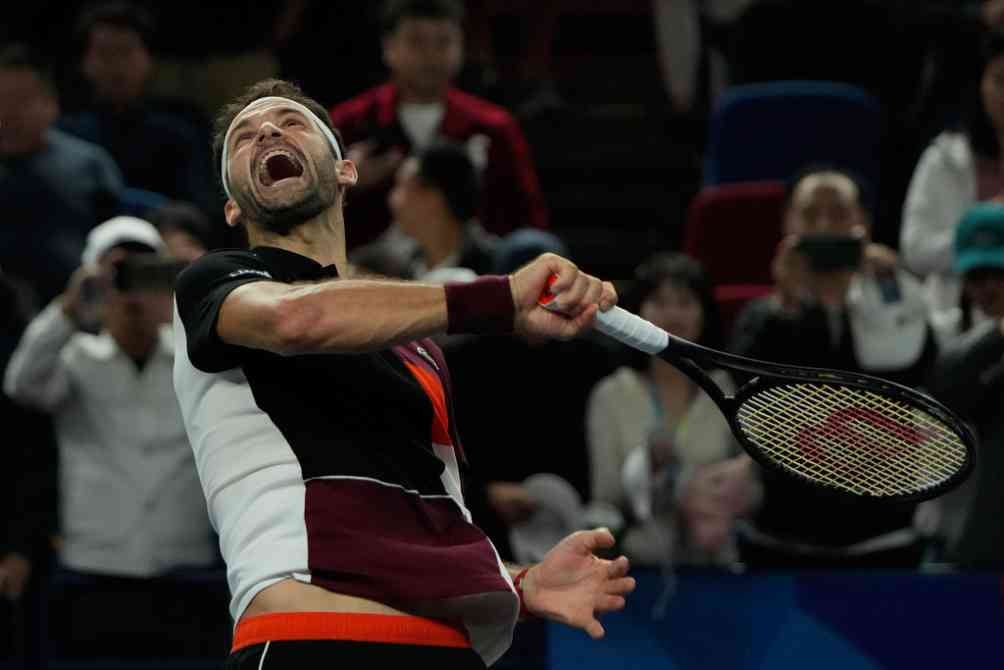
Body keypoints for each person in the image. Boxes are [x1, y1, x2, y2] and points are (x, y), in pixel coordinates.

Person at [173, 78, 633, 669]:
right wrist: (498, 302)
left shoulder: (418, 348)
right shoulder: (213, 285)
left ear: (345, 171)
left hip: (445, 651)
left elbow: (436, 510)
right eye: (243, 137)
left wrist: (522, 584)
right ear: (233, 204)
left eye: (291, 122)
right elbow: (299, 319)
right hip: (311, 639)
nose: (266, 131)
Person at [730, 165, 937, 568]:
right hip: (780, 538)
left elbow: (919, 379)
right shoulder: (763, 316)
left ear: (864, 224)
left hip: (884, 537)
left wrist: (892, 298)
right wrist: (789, 306)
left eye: (839, 214)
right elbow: (751, 397)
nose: (825, 226)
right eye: (810, 214)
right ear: (788, 224)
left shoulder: (896, 302)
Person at [3, 215, 214, 579]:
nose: (131, 293)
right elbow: (21, 383)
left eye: (145, 274)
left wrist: (201, 291)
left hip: (185, 559)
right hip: (95, 562)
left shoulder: (193, 358)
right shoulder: (76, 358)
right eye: (118, 277)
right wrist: (69, 307)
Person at [586, 253, 760, 568]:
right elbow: (604, 499)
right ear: (637, 312)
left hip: (720, 567)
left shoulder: (729, 389)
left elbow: (756, 492)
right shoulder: (610, 394)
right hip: (639, 570)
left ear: (704, 313)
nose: (672, 314)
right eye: (660, 302)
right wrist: (645, 471)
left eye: (685, 302)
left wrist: (737, 490)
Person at [328, 0, 548, 249]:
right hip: (367, 270)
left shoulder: (494, 127)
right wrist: (342, 184)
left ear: (461, 47)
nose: (430, 56)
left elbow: (529, 221)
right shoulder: (348, 123)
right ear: (388, 48)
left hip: (472, 270)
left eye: (443, 42)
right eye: (416, 42)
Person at [58, 2, 217, 215]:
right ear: (85, 63)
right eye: (104, 54)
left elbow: (200, 208)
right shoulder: (65, 134)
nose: (116, 65)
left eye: (125, 52)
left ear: (148, 58)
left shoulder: (181, 130)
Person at [0, 43, 123, 307]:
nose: (7, 114)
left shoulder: (90, 166)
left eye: (21, 101)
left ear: (51, 105)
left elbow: (117, 244)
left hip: (82, 311)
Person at [902, 27, 1004, 318]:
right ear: (981, 84)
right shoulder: (944, 159)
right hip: (955, 320)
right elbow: (915, 251)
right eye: (1000, 80)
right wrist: (981, 227)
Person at [926, 203, 1004, 568]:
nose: (988, 287)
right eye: (976, 275)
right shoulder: (949, 336)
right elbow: (950, 393)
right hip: (980, 551)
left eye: (998, 272)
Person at [389, 139, 498, 279]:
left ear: (435, 197)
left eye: (404, 187)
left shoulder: (496, 270)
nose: (393, 200)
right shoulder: (400, 272)